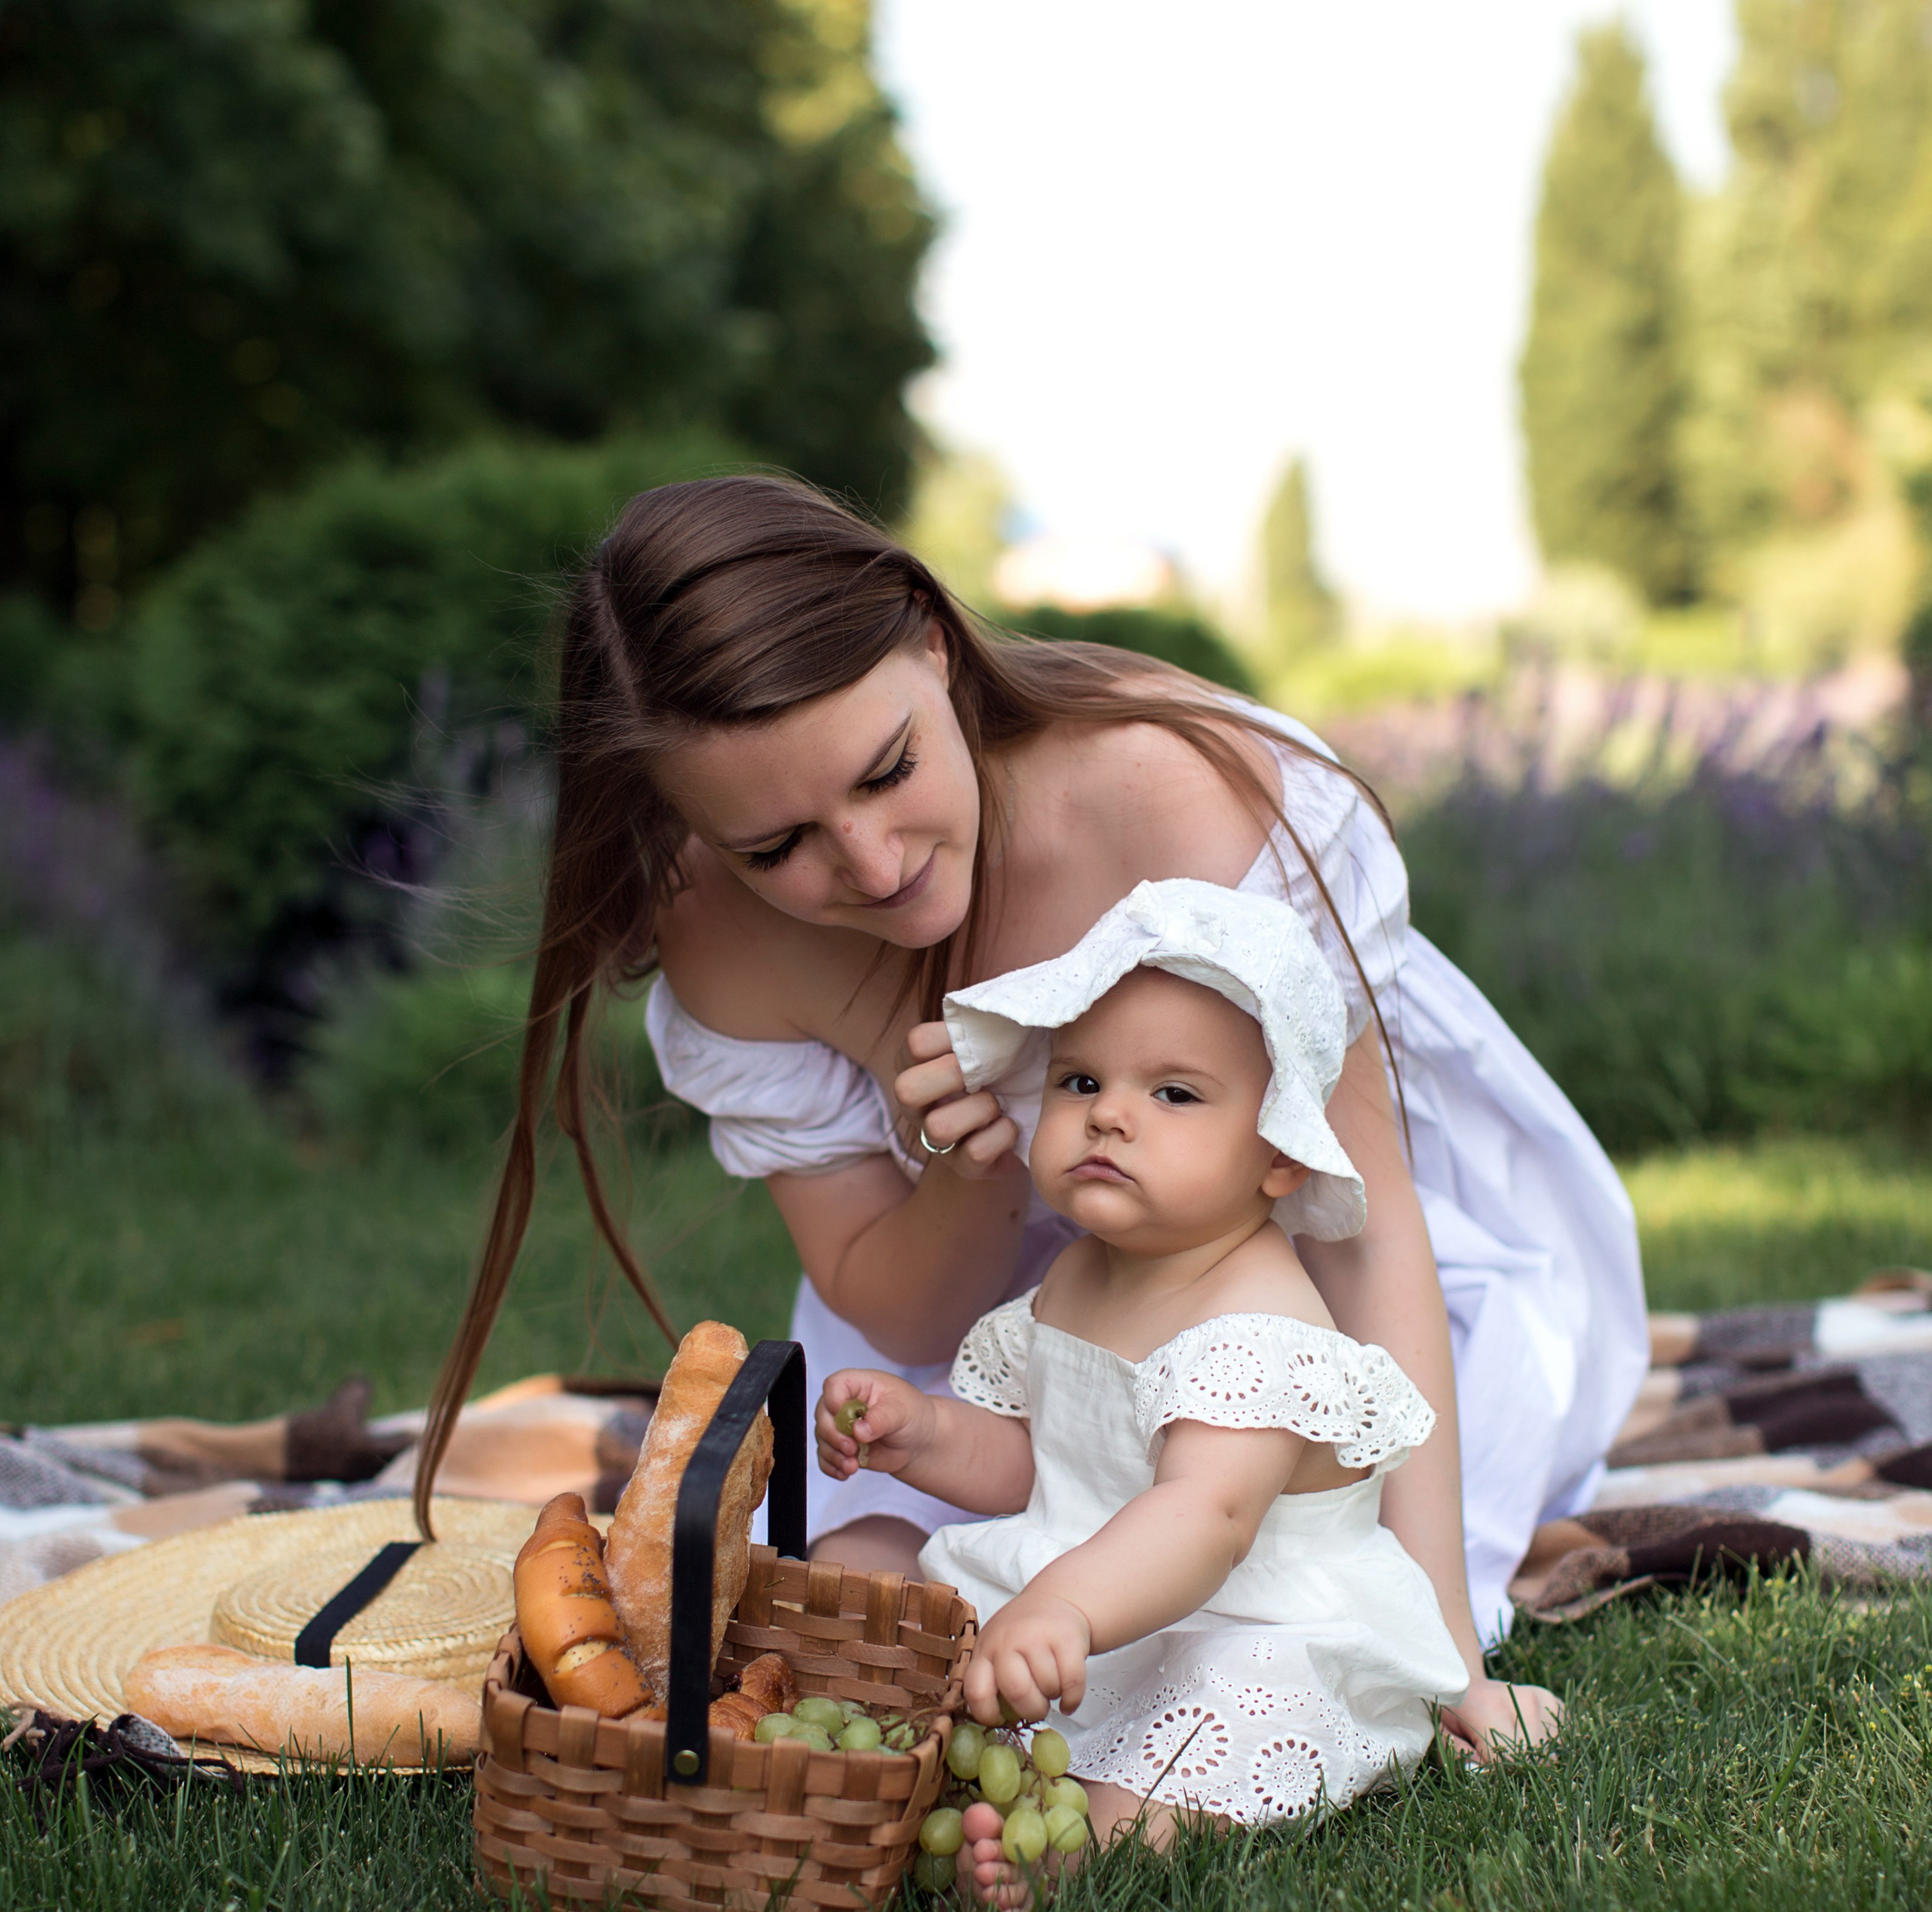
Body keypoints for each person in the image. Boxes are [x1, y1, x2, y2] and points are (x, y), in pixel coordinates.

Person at [414, 474, 1648, 1763]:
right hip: (998, 1336)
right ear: (692, 829)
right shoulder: (721, 936)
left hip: (1290, 1278)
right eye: (779, 846)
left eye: (889, 771)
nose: (875, 865)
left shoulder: (1177, 800)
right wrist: (965, 1169)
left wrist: (1440, 1646)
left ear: (934, 646)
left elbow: (1366, 1235)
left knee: (1286, 1581)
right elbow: (901, 1316)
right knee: (892, 1586)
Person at [813, 880, 1471, 1912]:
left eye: (1174, 1094)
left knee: (1224, 1716)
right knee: (870, 1557)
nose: (1109, 1114)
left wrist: (1066, 1608)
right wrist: (925, 1430)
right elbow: (1043, 1459)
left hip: (1234, 1617)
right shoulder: (1083, 1274)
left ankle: (1091, 1841)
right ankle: (909, 1755)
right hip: (1079, 1596)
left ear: (1279, 1159)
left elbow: (1203, 1520)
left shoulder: (1261, 1318)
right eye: (1080, 1080)